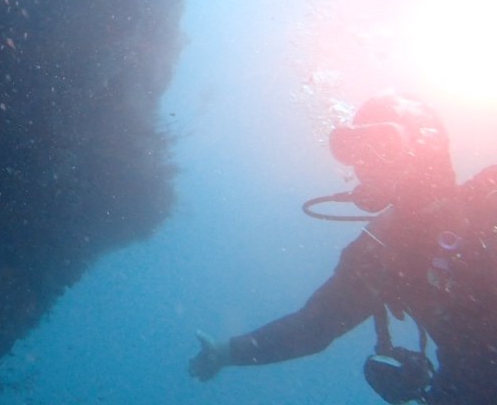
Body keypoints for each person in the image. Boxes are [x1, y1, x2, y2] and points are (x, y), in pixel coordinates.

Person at [188, 93, 497, 404]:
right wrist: (225, 352)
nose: (366, 163)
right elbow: (314, 326)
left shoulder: (489, 199)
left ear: (427, 146)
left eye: (384, 145)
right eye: (353, 150)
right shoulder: (379, 253)